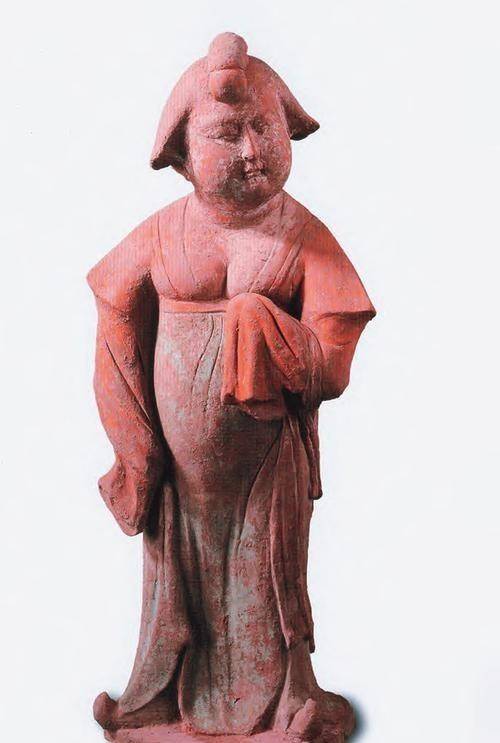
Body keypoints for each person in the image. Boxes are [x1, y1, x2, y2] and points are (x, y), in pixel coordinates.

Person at [88, 32, 375, 742]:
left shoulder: (301, 235)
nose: (251, 150)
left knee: (269, 585)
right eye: (227, 134)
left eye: (263, 128)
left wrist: (269, 332)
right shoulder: (164, 233)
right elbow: (113, 302)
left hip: (266, 465)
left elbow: (334, 351)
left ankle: (284, 703)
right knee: (176, 594)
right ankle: (160, 701)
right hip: (177, 474)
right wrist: (134, 441)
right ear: (184, 154)